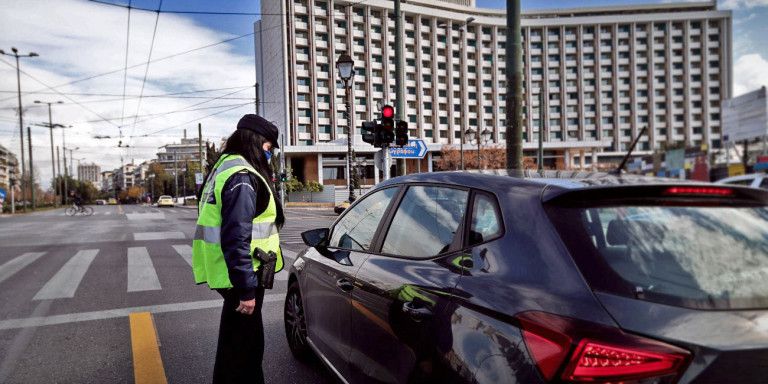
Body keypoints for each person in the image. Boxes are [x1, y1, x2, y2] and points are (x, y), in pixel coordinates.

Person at [192, 114, 285, 384]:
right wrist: (246, 290)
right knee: (245, 352)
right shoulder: (243, 177)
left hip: (233, 273)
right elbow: (236, 237)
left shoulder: (224, 166)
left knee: (236, 347)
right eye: (268, 148)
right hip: (243, 275)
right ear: (255, 142)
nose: (269, 155)